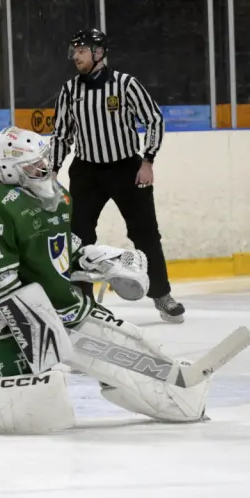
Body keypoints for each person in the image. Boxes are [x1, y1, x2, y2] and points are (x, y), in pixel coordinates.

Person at [0, 126, 211, 435]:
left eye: (43, 158)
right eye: (33, 164)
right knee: (36, 408)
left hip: (60, 306)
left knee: (126, 342)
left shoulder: (57, 194)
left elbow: (58, 248)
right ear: (9, 170)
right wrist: (33, 319)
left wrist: (92, 258)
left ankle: (178, 396)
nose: (44, 166)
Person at [51, 28, 185, 323]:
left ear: (99, 53)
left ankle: (162, 296)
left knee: (145, 233)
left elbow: (153, 119)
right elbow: (61, 135)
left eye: (82, 50)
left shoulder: (126, 85)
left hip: (126, 168)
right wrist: (53, 171)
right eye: (75, 51)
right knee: (78, 237)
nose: (76, 56)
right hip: (86, 171)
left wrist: (148, 160)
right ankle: (80, 300)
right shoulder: (69, 90)